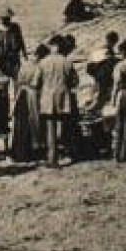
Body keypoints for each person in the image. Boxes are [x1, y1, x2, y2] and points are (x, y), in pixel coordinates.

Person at [35, 35, 78, 167]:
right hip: (63, 96)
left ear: (53, 46)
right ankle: (67, 153)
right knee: (64, 126)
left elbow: (36, 82)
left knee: (50, 128)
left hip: (48, 97)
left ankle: (52, 158)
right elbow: (75, 81)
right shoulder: (67, 62)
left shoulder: (43, 62)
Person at [11, 43, 48, 162]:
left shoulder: (24, 65)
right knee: (33, 122)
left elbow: (18, 81)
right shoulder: (39, 67)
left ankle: (18, 151)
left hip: (21, 94)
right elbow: (36, 83)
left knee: (21, 123)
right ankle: (32, 150)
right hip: (32, 95)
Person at [0, 8, 26, 79]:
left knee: (15, 74)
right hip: (3, 55)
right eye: (4, 18)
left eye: (8, 18)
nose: (6, 20)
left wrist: (24, 52)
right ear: (1, 19)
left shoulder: (15, 27)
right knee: (4, 75)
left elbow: (21, 39)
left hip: (13, 54)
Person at [89, 31, 121, 107]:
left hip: (105, 76)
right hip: (102, 76)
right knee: (100, 95)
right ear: (108, 40)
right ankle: (95, 111)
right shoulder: (103, 50)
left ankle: (97, 110)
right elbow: (95, 64)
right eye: (113, 41)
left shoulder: (108, 49)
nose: (114, 44)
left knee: (104, 96)